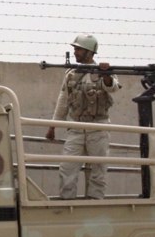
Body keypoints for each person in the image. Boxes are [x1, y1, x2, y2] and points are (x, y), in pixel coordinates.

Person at [45, 35, 120, 199]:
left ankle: (94, 204)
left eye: (78, 49)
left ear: (89, 51)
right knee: (67, 169)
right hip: (76, 128)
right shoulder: (72, 74)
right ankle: (68, 203)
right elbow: (63, 101)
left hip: (98, 128)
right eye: (75, 49)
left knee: (97, 171)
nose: (75, 52)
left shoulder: (103, 71)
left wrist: (106, 74)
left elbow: (112, 88)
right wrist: (53, 126)